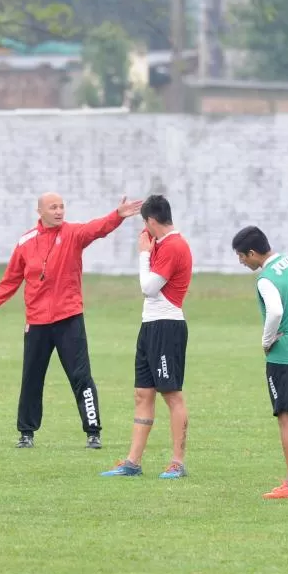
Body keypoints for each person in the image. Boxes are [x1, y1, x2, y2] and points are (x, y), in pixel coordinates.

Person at [0, 192, 143, 449]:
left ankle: (93, 432)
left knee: (81, 376)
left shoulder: (73, 234)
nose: (59, 211)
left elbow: (96, 229)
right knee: (31, 378)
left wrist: (117, 215)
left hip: (68, 318)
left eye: (62, 207)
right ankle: (26, 433)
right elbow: (10, 281)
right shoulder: (25, 242)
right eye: (53, 207)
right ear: (40, 211)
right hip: (37, 322)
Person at [101, 195, 193, 479]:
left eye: (145, 223)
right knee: (143, 393)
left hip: (167, 326)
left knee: (171, 394)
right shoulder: (161, 244)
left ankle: (178, 461)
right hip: (150, 325)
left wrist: (142, 253)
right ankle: (133, 462)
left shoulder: (174, 246)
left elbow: (149, 287)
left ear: (152, 221)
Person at [231, 226, 288, 500]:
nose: (241, 262)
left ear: (252, 253)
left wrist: (266, 341)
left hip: (285, 357)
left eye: (241, 257)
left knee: (286, 418)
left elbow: (276, 311)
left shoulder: (265, 279)